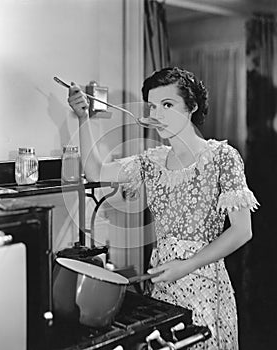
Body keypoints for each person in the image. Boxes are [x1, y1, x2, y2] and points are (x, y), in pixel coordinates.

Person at [68, 67, 259, 349]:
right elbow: (96, 171)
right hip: (162, 285)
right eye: (153, 106)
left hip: (204, 286)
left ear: (191, 108)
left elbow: (242, 231)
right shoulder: (153, 160)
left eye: (167, 105)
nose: (157, 114)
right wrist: (83, 118)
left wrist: (186, 265)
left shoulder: (222, 157)